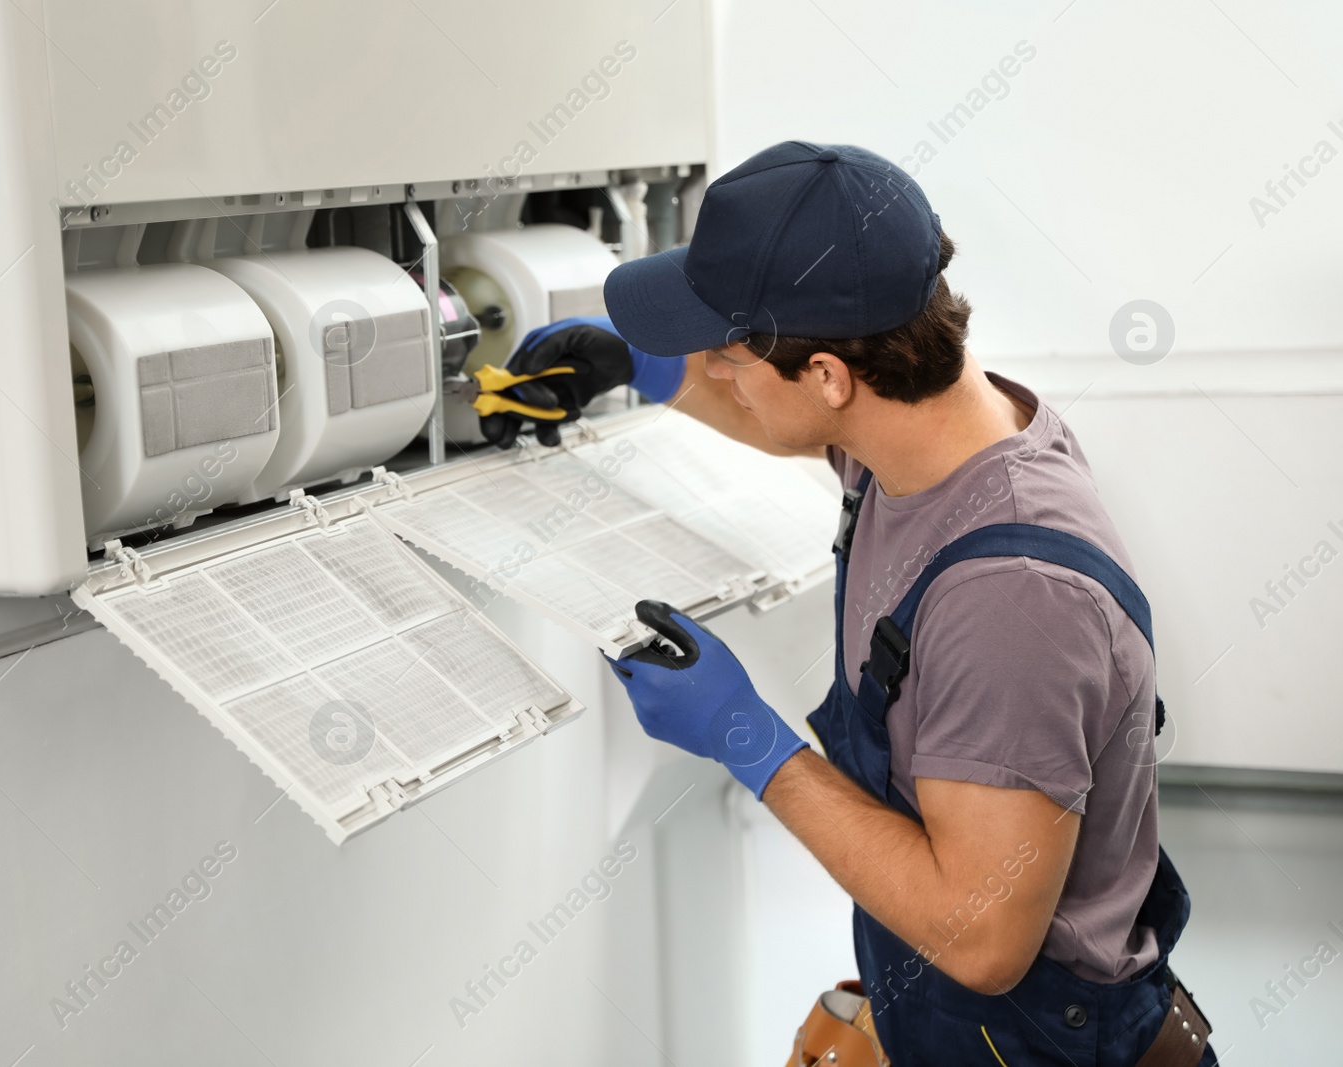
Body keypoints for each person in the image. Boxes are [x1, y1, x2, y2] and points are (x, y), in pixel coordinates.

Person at [480, 141, 1215, 1066]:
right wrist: (632, 365)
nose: (716, 372)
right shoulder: (937, 433)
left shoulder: (1011, 601)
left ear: (831, 373)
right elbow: (784, 413)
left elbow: (983, 940)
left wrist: (745, 735)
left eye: (724, 353)